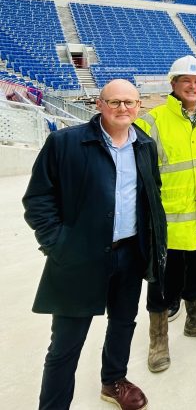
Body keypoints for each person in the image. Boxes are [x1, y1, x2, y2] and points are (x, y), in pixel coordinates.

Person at [22, 79, 166, 410]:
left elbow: (149, 198)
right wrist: (59, 246)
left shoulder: (143, 145)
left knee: (122, 323)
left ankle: (114, 380)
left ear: (139, 106)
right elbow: (38, 199)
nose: (123, 109)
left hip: (130, 253)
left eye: (130, 103)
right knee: (65, 344)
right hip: (79, 258)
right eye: (114, 102)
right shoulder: (65, 143)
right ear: (99, 104)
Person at [136, 55, 196, 374]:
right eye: (186, 81)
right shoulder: (153, 121)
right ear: (173, 84)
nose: (193, 86)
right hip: (169, 224)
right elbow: (139, 175)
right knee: (162, 285)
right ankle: (158, 341)